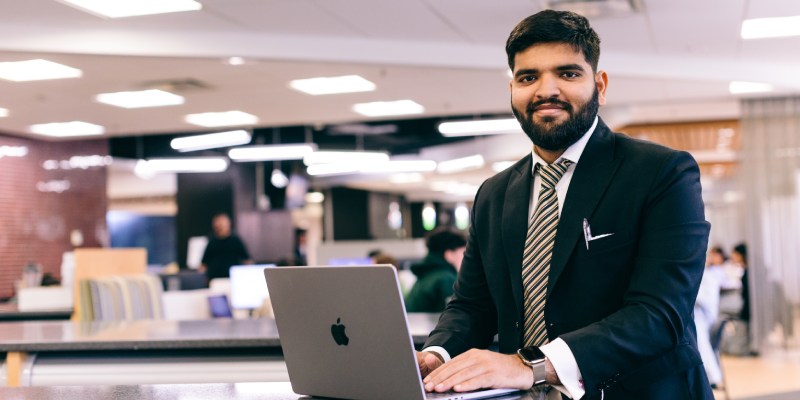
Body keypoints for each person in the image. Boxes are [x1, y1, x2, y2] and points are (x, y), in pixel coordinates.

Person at [416, 10, 712, 399]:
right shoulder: (494, 193)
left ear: (600, 86)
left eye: (568, 73)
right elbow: (473, 305)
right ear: (512, 91)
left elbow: (660, 315)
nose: (545, 90)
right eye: (528, 77)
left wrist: (531, 365)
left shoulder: (661, 172)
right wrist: (438, 353)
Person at [405, 229, 467, 313]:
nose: (465, 258)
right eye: (463, 253)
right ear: (449, 255)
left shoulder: (425, 277)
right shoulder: (446, 279)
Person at [694, 247, 727, 387]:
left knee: (699, 338)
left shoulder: (709, 275)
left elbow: (706, 301)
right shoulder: (704, 274)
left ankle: (713, 376)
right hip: (702, 315)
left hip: (707, 317)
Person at [200, 212, 252, 281]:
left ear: (228, 224)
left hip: (232, 279)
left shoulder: (235, 241)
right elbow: (204, 264)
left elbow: (247, 260)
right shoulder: (212, 242)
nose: (219, 226)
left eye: (222, 223)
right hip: (214, 280)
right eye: (217, 224)